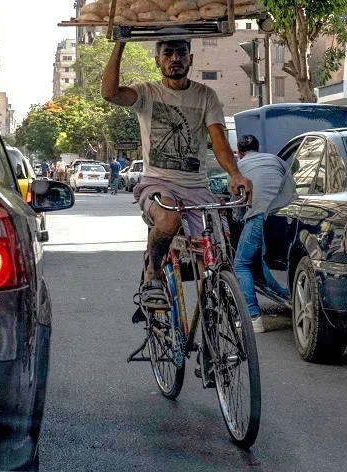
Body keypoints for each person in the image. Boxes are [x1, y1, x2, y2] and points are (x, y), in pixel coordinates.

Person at [102, 39, 252, 306]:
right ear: (158, 61)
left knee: (216, 251)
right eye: (168, 53)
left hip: (197, 188)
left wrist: (235, 174)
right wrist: (121, 43)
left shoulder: (206, 95)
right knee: (169, 218)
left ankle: (213, 316)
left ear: (191, 59)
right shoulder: (147, 93)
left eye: (181, 53)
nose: (175, 58)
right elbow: (110, 94)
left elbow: (218, 140)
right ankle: (154, 273)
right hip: (158, 184)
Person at [232, 135, 290, 333]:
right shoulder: (275, 159)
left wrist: (240, 218)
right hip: (287, 214)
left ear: (239, 153)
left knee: (241, 264)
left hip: (259, 215)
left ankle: (252, 317)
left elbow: (237, 202)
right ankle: (295, 296)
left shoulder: (238, 169)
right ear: (259, 148)